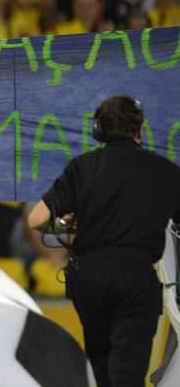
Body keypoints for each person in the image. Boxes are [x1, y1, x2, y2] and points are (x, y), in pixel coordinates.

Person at [27, 95, 180, 387]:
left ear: (99, 129)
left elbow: (35, 219)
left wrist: (64, 222)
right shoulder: (167, 172)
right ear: (141, 128)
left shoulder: (82, 167)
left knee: (103, 370)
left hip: (90, 279)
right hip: (136, 278)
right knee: (128, 372)